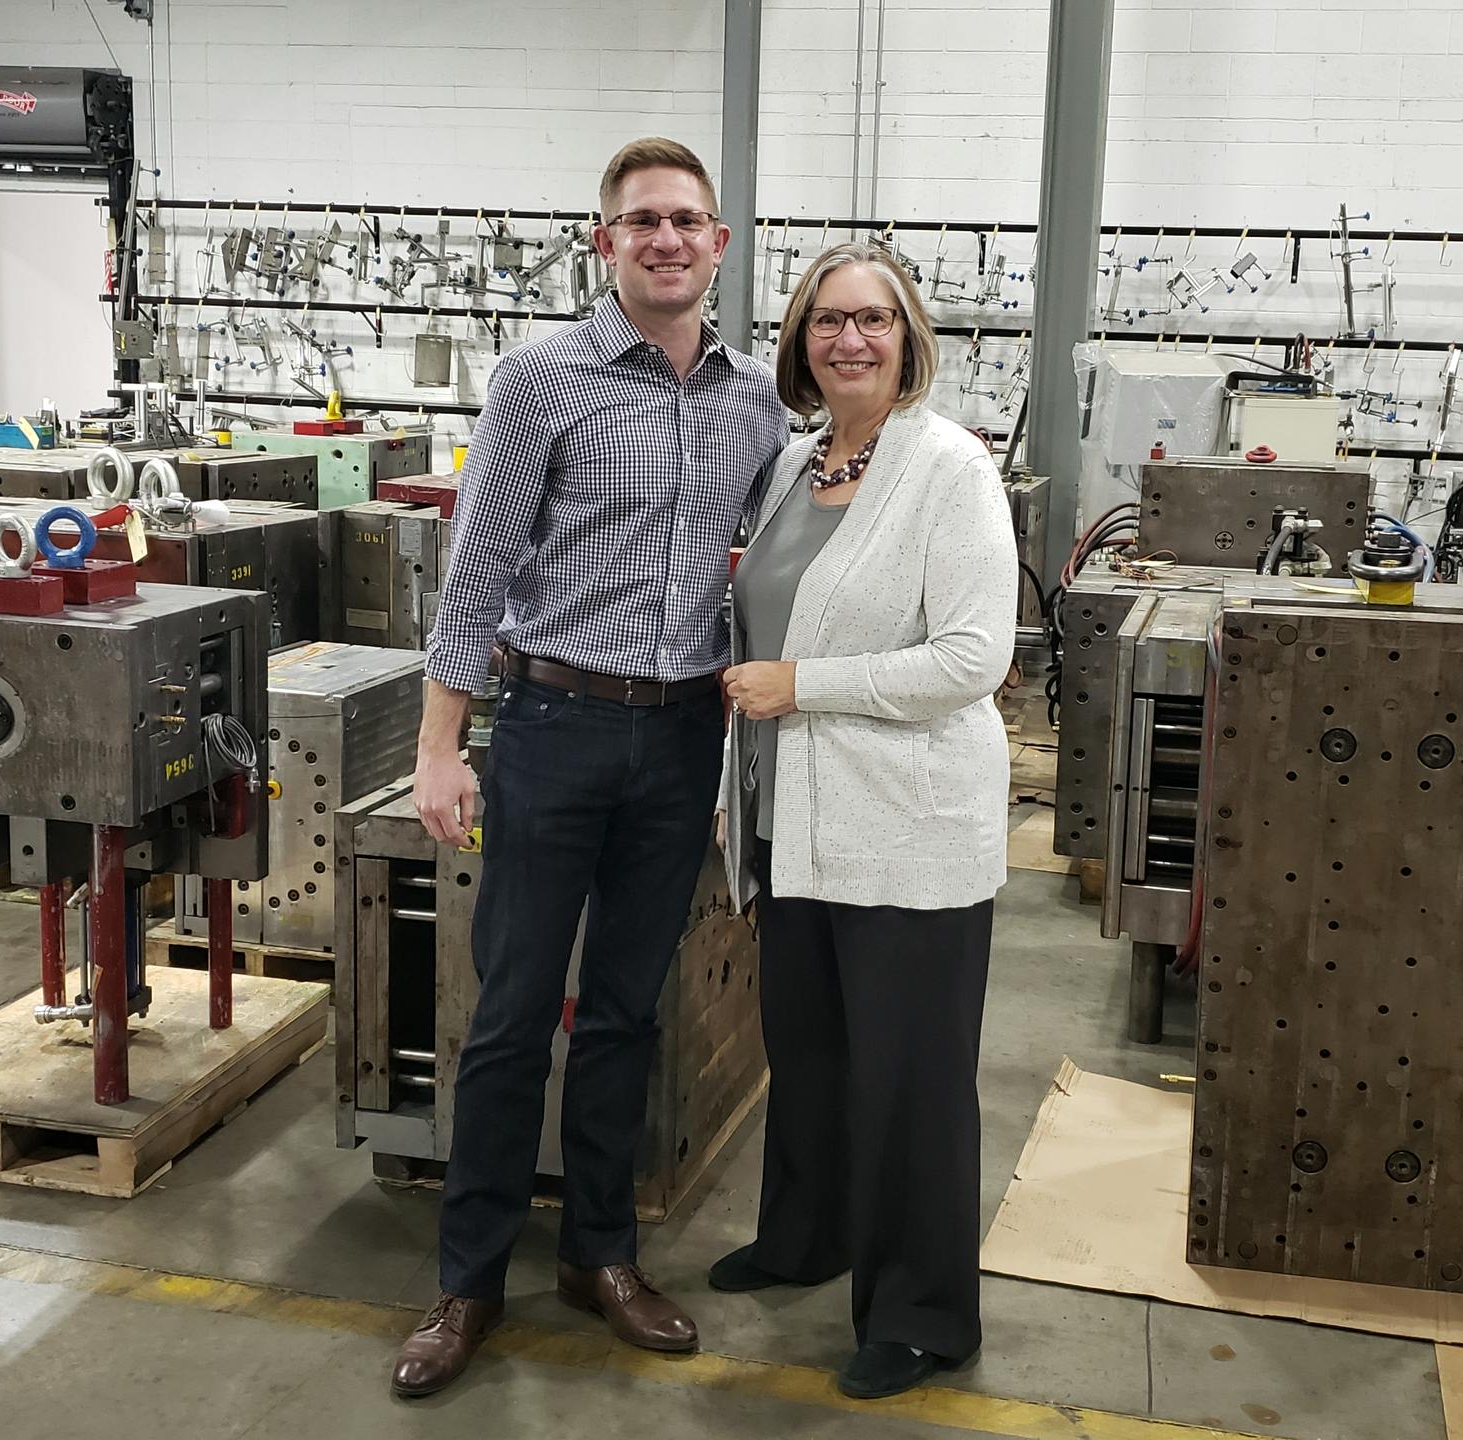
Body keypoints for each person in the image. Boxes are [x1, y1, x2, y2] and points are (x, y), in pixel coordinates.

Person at [391, 137, 787, 1399]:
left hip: (681, 739)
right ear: (604, 242)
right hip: (552, 728)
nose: (666, 240)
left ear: (719, 246)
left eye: (688, 221)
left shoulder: (752, 404)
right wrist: (439, 745)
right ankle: (469, 1281)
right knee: (510, 1019)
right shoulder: (537, 383)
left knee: (625, 1010)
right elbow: (480, 572)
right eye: (642, 222)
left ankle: (600, 1255)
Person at [708, 241, 1018, 1400]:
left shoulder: (950, 469)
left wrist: (804, 685)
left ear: (908, 338)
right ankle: (806, 1237)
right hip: (797, 826)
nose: (850, 339)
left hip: (909, 830)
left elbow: (974, 657)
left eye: (873, 320)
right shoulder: (796, 465)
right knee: (815, 1058)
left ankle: (926, 1312)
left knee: (911, 1084)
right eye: (828, 321)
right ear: (800, 343)